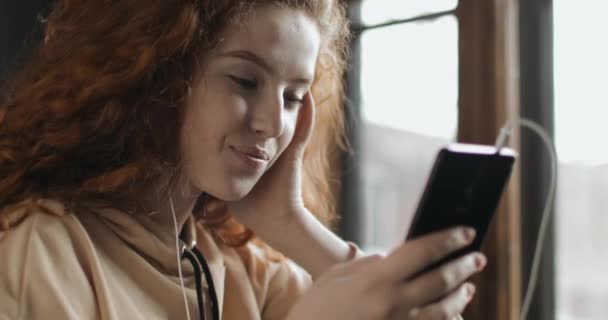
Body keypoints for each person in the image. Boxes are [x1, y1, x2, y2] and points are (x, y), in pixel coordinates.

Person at [0, 0, 486, 319]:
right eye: (245, 81)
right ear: (154, 74)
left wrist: (290, 222)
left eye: (294, 97)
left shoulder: (246, 270)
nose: (273, 123)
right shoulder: (41, 252)